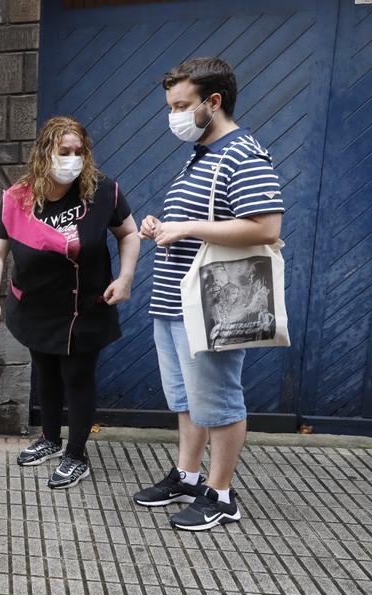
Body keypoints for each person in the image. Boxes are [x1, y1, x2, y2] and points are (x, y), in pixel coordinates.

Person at [133, 57, 283, 530]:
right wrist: (160, 225)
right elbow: (202, 221)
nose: (173, 116)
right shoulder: (201, 154)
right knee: (186, 401)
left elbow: (265, 226)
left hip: (213, 305)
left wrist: (185, 229)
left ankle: (221, 496)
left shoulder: (242, 152)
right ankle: (188, 475)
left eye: (182, 105)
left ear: (213, 102)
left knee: (218, 403)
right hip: (174, 302)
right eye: (171, 106)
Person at [0, 116, 140, 489]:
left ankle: (76, 454)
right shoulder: (17, 198)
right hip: (36, 305)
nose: (72, 159)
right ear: (44, 154)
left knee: (77, 377)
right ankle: (50, 439)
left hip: (86, 305)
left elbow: (129, 233)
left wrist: (126, 277)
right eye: (63, 152)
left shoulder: (103, 192)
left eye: (78, 152)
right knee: (46, 373)